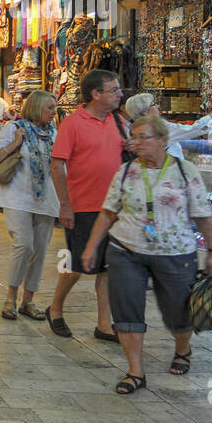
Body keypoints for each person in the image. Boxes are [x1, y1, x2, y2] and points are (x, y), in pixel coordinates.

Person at [81, 115, 212, 395]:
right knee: (127, 311)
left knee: (178, 312)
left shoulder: (185, 171)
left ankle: (182, 349)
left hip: (175, 252)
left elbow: (203, 215)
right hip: (126, 249)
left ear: (163, 141)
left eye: (143, 137)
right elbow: (109, 211)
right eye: (134, 137)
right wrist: (92, 246)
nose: (137, 143)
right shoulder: (126, 171)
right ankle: (136, 371)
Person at [46, 68, 128, 341]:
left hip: (114, 208)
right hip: (83, 206)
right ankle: (55, 308)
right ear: (96, 94)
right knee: (77, 264)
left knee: (107, 267)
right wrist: (65, 205)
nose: (120, 94)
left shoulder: (118, 121)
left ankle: (104, 324)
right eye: (114, 90)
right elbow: (57, 165)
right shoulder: (72, 123)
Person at [0, 90, 59, 320]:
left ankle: (28, 300)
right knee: (24, 245)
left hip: (46, 199)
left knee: (39, 250)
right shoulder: (14, 128)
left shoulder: (54, 133)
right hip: (18, 196)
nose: (54, 112)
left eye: (54, 108)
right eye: (49, 108)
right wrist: (15, 144)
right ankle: (10, 297)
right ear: (36, 108)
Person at [123, 93, 212, 159]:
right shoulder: (157, 128)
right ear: (144, 112)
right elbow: (195, 129)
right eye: (153, 104)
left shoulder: (133, 129)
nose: (157, 106)